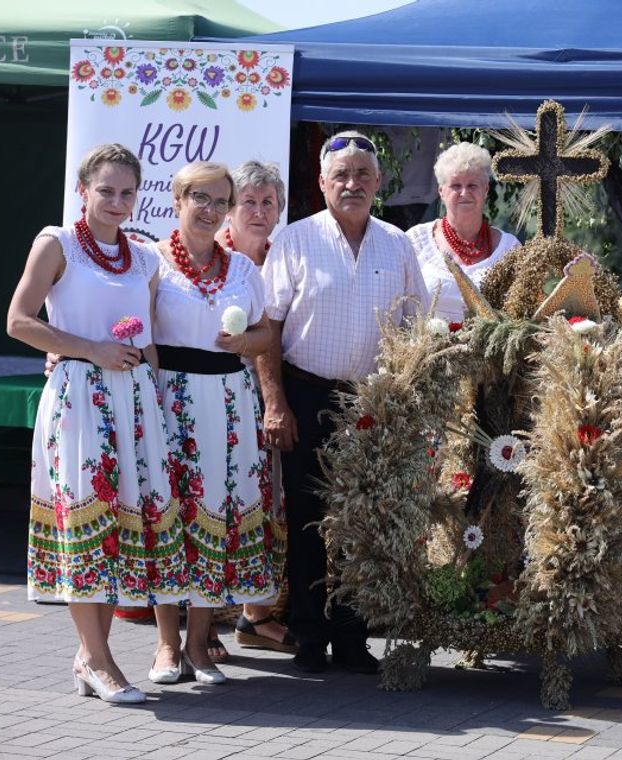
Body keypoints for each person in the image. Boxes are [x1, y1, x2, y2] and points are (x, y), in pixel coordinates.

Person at [7, 144, 184, 704]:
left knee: (116, 530)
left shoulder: (145, 258)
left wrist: (158, 404)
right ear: (83, 190)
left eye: (127, 192)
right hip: (79, 397)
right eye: (105, 190)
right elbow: (18, 321)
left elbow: (148, 340)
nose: (116, 201)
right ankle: (101, 661)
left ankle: (89, 658)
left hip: (132, 403)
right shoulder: (55, 243)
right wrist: (89, 350)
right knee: (85, 522)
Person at [257, 130, 429, 673]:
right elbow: (267, 329)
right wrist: (275, 402)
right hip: (305, 393)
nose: (351, 184)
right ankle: (309, 636)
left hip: (369, 402)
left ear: (378, 183)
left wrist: (405, 404)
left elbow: (414, 328)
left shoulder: (397, 243)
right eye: (341, 176)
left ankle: (354, 638)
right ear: (323, 183)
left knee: (363, 523)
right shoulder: (295, 240)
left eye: (361, 175)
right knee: (307, 519)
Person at [146, 162, 276, 686]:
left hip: (227, 404)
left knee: (213, 520)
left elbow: (267, 334)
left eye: (221, 201)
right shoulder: (150, 261)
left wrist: (247, 343)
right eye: (200, 197)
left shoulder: (242, 269)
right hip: (168, 399)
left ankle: (200, 647)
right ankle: (164, 647)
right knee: (166, 518)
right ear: (177, 199)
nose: (210, 209)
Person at [214, 160, 296, 661]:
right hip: (209, 395)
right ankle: (201, 624)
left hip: (260, 398)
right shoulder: (206, 255)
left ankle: (255, 615)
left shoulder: (280, 257)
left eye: (269, 203)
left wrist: (274, 400)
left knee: (259, 503)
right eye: (250, 202)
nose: (260, 211)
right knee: (209, 500)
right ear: (231, 207)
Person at [406, 142, 519, 321]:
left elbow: (521, 311)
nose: (464, 193)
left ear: (486, 190)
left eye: (472, 185)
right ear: (441, 192)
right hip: (427, 347)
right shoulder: (415, 239)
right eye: (456, 186)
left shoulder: (510, 248)